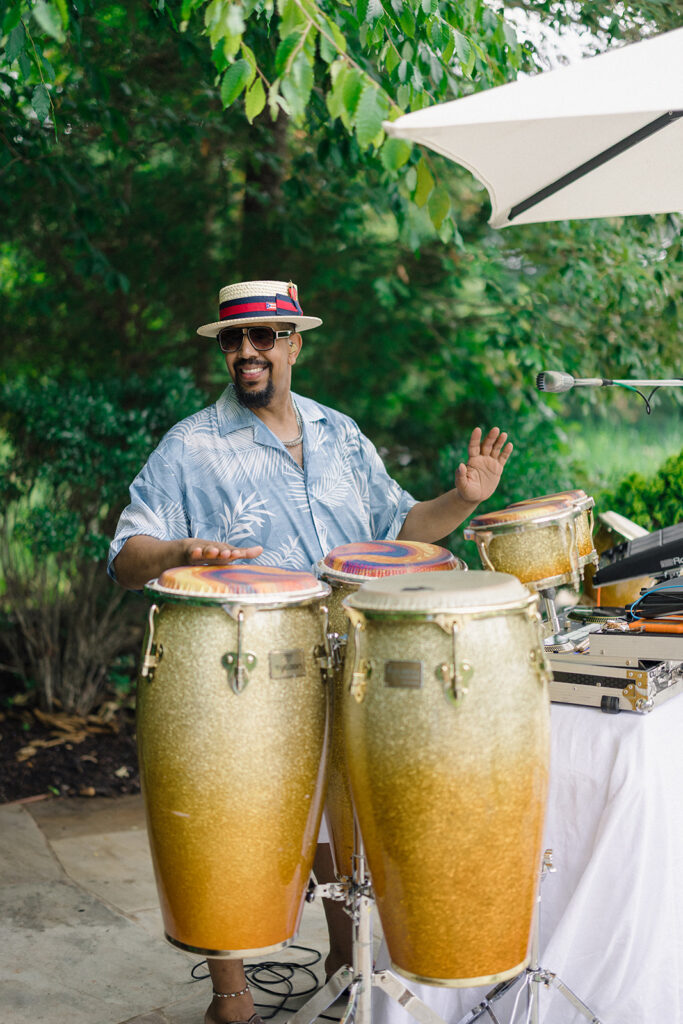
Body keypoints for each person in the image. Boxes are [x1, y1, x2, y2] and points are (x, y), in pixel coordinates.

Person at [109, 279, 514, 1024]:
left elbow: (400, 532)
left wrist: (464, 500)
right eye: (233, 339)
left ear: (294, 342)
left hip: (348, 643)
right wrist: (177, 549)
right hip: (245, 657)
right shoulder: (191, 445)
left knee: (344, 808)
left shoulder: (339, 433)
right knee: (227, 807)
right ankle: (230, 996)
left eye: (263, 336)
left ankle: (341, 960)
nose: (246, 352)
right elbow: (127, 555)